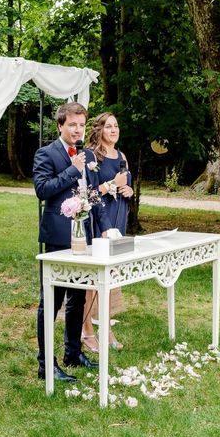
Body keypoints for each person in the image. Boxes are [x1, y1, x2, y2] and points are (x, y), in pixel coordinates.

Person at [33, 102, 110, 382]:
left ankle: (73, 353)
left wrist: (105, 228)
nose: (78, 130)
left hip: (85, 237)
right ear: (60, 126)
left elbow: (92, 193)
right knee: (51, 303)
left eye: (81, 125)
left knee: (78, 298)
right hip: (57, 238)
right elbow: (42, 191)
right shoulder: (46, 154)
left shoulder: (87, 154)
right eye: (72, 125)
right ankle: (46, 365)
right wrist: (71, 171)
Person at [81, 112, 133, 353]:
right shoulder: (92, 156)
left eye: (116, 126)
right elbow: (89, 193)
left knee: (111, 277)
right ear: (99, 130)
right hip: (98, 219)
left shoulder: (121, 156)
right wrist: (112, 184)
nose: (114, 130)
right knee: (93, 279)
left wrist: (128, 190)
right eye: (109, 126)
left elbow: (126, 183)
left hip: (118, 215)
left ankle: (107, 329)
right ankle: (86, 331)